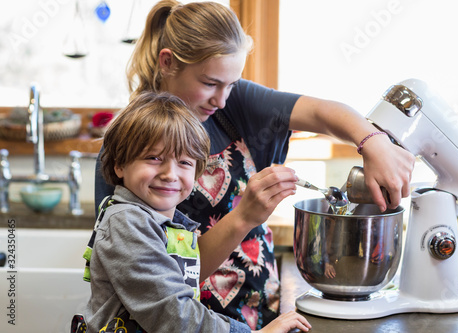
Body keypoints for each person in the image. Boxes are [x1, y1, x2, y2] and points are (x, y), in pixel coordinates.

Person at [94, 0, 415, 328]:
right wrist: (244, 216)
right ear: (167, 62)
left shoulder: (230, 102)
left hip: (257, 313)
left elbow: (322, 112)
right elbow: (167, 287)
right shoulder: (127, 146)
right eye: (209, 83)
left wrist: (373, 142)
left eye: (231, 83)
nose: (221, 99)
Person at [77, 91, 311, 333]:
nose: (170, 174)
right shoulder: (127, 223)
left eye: (185, 162)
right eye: (153, 157)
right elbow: (174, 315)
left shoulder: (161, 222)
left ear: (197, 172)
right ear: (120, 165)